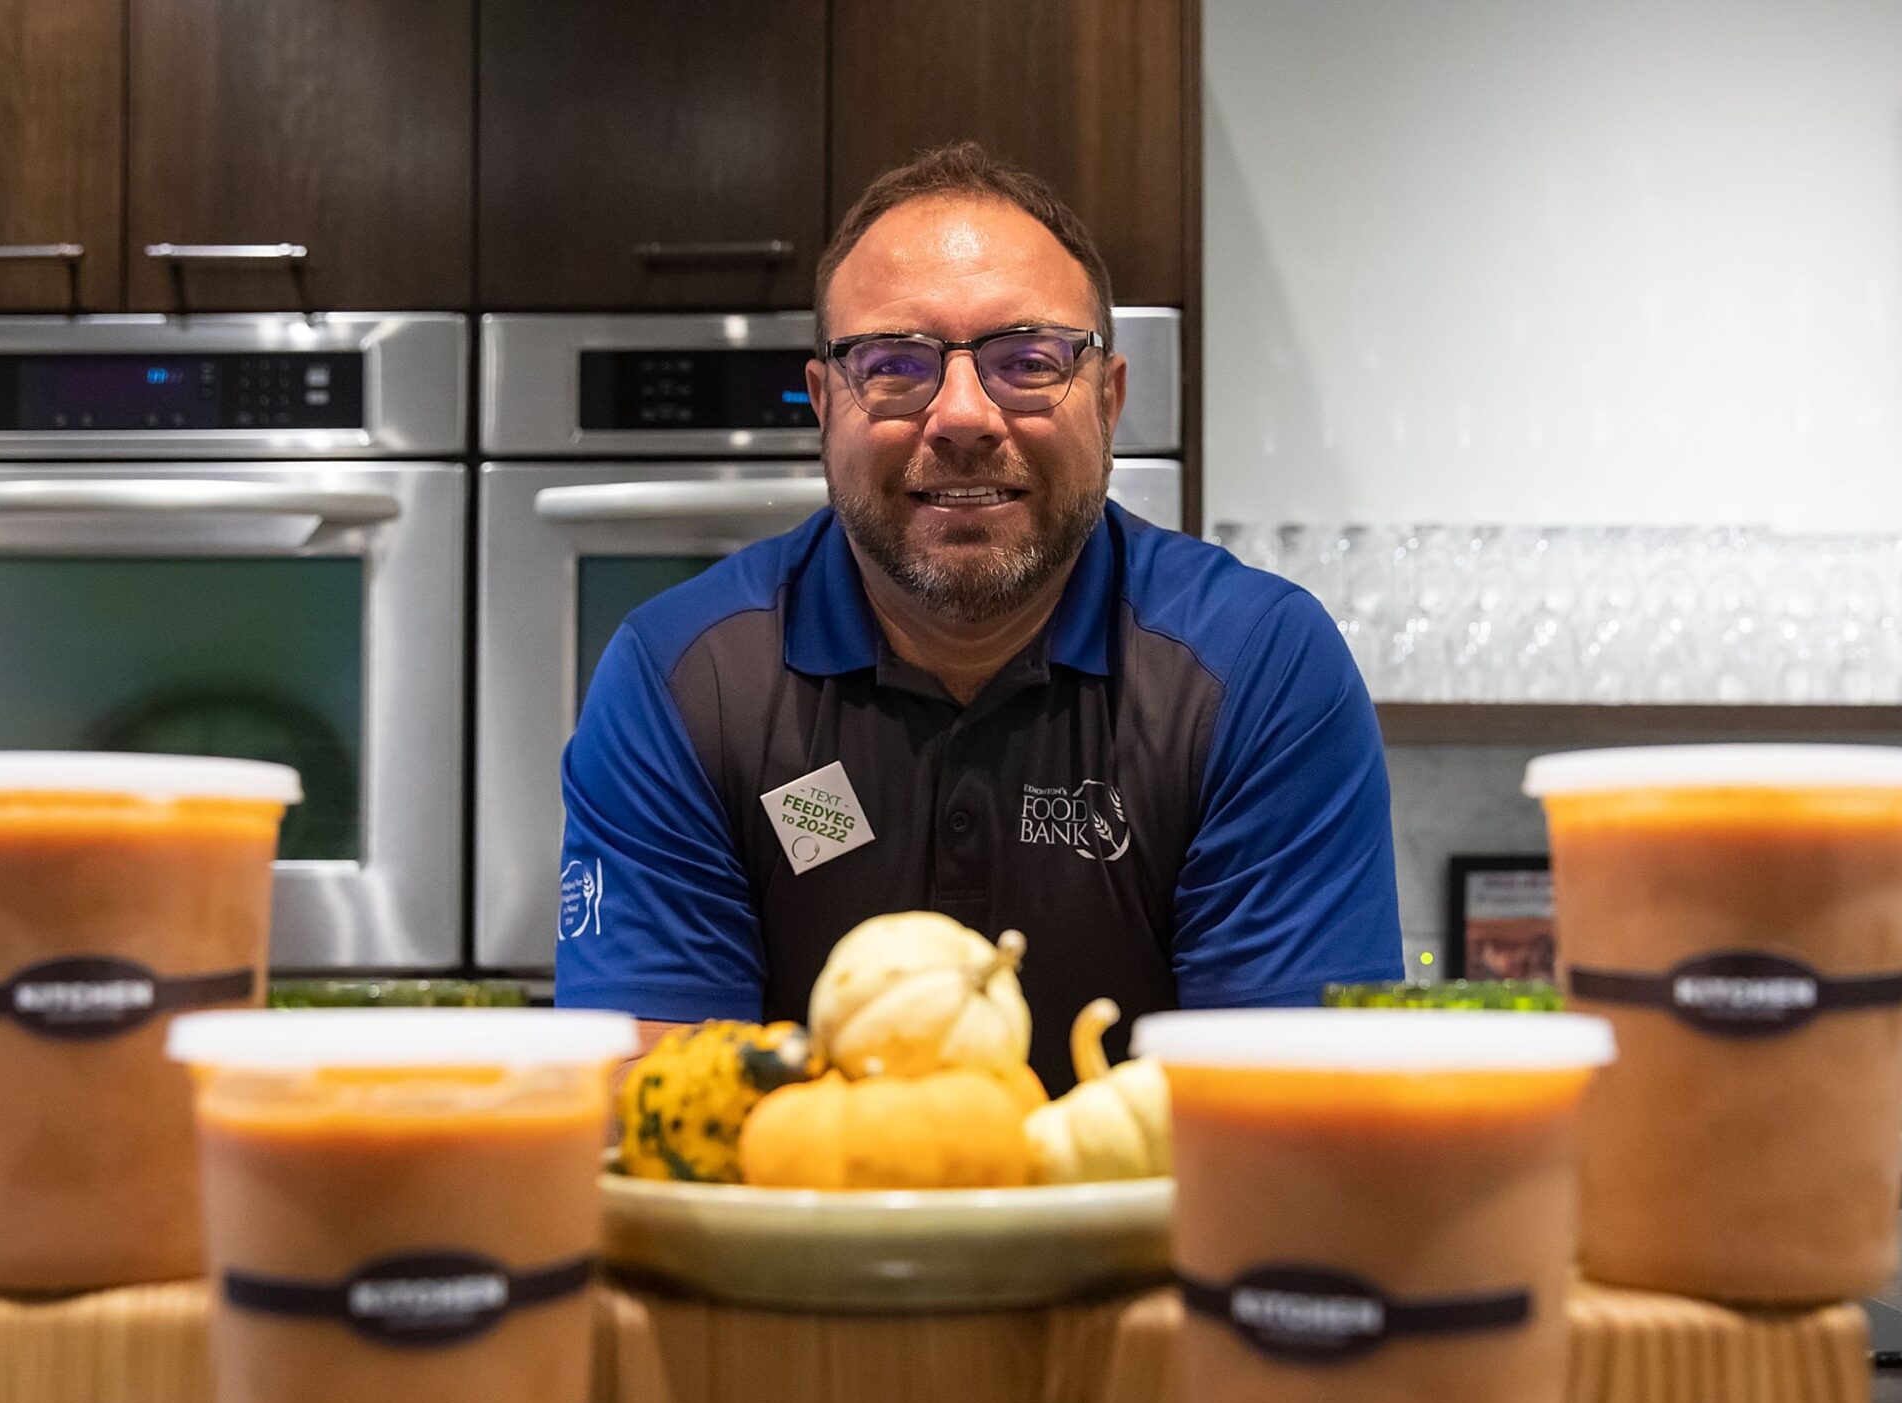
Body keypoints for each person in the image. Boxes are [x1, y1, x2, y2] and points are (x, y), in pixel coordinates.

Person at [556, 142, 1405, 1089]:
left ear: (1110, 403)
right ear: (823, 402)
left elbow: (1289, 1115)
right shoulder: (682, 683)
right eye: (892, 364)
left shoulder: (1259, 672)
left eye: (1029, 360)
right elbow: (666, 1119)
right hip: (794, 1232)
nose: (962, 416)